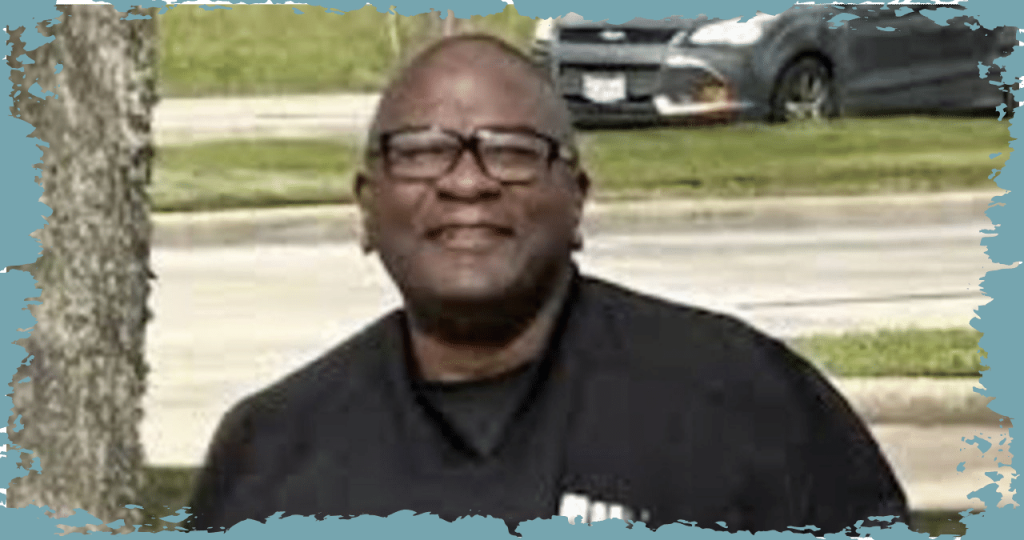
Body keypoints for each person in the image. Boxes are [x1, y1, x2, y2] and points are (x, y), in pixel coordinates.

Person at [186, 34, 907, 535]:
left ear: (578, 201)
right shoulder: (273, 454)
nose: (467, 182)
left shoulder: (745, 406)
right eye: (421, 152)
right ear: (367, 207)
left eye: (511, 152)